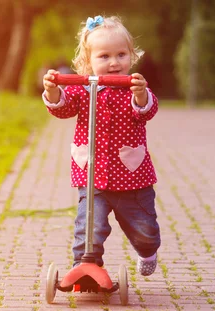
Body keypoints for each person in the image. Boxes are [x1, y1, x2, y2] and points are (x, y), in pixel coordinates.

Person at [41, 15, 160, 276]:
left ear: (131, 55)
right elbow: (63, 108)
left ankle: (148, 250)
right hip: (94, 177)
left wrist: (141, 94)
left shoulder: (133, 89)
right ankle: (85, 267)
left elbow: (146, 111)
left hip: (132, 178)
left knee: (145, 231)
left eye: (121, 55)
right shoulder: (83, 89)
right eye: (104, 56)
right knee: (89, 226)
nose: (114, 62)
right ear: (88, 62)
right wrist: (52, 91)